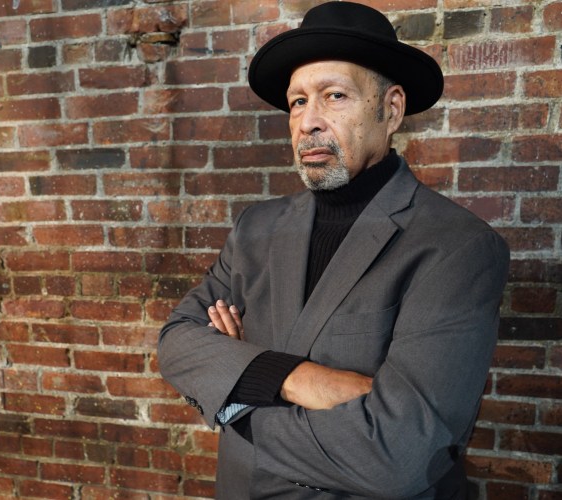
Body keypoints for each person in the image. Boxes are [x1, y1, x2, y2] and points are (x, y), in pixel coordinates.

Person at [158, 2, 510, 499]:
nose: (308, 123)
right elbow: (176, 341)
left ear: (390, 109)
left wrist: (235, 393)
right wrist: (298, 379)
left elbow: (399, 453)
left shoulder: (457, 247)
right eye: (298, 102)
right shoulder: (255, 228)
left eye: (334, 96)